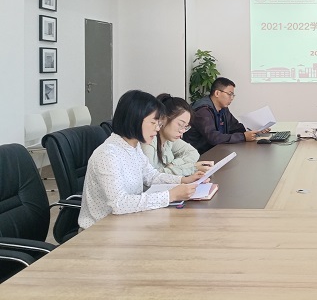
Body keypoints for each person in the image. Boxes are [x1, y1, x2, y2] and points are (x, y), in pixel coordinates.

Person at [78, 90, 207, 229]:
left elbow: (151, 176)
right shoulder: (108, 154)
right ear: (135, 119)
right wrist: (170, 196)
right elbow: (119, 203)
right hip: (101, 231)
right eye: (153, 122)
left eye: (158, 123)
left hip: (128, 223)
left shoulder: (133, 147)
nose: (157, 128)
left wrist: (183, 180)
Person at [183, 77, 267, 154]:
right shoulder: (203, 110)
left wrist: (255, 129)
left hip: (217, 151)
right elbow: (213, 137)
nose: (232, 98)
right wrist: (243, 137)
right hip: (199, 155)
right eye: (229, 94)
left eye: (233, 95)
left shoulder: (223, 108)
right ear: (217, 93)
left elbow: (235, 127)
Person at [140, 94, 214, 175]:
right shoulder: (148, 142)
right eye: (180, 124)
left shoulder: (169, 139)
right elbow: (151, 177)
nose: (182, 131)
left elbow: (193, 153)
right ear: (163, 118)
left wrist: (172, 165)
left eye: (186, 126)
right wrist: (191, 168)